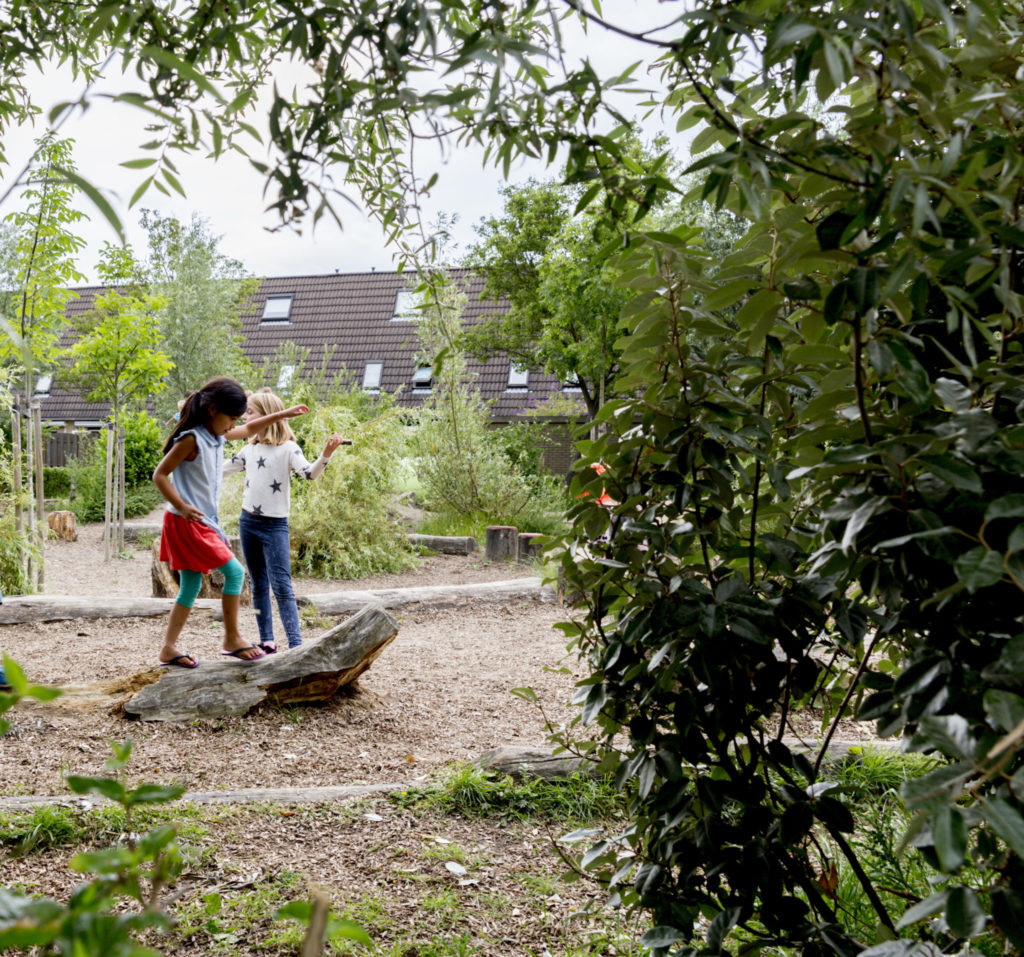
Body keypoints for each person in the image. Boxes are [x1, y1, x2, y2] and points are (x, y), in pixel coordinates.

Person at [152, 377, 309, 667]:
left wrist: (283, 415)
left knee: (190, 585)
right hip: (186, 520)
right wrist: (182, 506)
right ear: (213, 410)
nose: (234, 424)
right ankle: (232, 637)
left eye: (237, 418)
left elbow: (250, 428)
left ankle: (168, 648)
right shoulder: (191, 439)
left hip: (200, 520)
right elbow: (159, 475)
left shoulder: (217, 435)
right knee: (235, 573)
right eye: (231, 418)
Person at [224, 388, 347, 653]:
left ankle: (295, 644)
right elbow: (218, 471)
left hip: (274, 526)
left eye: (250, 412)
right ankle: (266, 640)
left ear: (266, 416)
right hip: (248, 522)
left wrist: (326, 454)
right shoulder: (249, 449)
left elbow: (310, 475)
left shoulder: (289, 449)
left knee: (282, 586)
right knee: (258, 584)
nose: (245, 418)